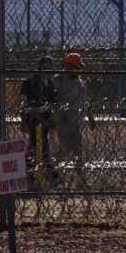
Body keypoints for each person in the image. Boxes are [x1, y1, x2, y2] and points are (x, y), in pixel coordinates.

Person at [51, 51, 93, 186]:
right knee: (66, 149)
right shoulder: (58, 80)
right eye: (76, 67)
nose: (78, 70)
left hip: (77, 121)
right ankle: (53, 174)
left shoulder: (80, 82)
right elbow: (53, 99)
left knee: (77, 151)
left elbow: (85, 102)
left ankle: (80, 180)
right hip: (63, 121)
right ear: (68, 66)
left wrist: (90, 117)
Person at [20, 56, 56, 188]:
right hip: (32, 119)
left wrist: (50, 115)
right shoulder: (29, 83)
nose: (48, 70)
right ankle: (48, 177)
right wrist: (24, 119)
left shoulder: (50, 84)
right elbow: (24, 103)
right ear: (40, 67)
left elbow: (52, 102)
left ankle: (36, 178)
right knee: (38, 147)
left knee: (37, 148)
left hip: (44, 121)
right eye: (45, 67)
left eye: (50, 67)